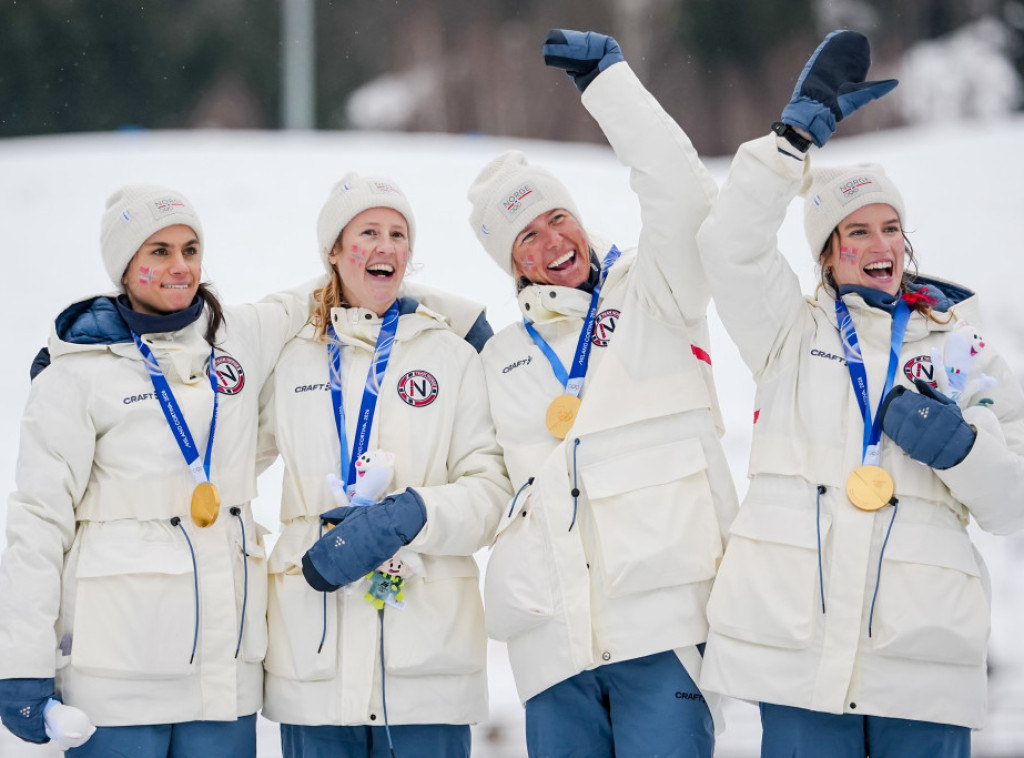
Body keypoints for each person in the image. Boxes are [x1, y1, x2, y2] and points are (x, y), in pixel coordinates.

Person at [697, 30, 1024, 758]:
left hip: (925, 657)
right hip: (799, 659)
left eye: (891, 229)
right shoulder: (786, 330)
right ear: (825, 251)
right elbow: (728, 246)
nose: (879, 246)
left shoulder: (960, 346)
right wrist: (788, 142)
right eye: (856, 232)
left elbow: (1012, 505)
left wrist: (965, 451)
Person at [467, 29, 738, 758]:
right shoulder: (499, 357)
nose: (551, 240)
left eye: (558, 218)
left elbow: (683, 196)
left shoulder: (656, 291)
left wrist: (610, 85)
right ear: (510, 263)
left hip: (663, 626)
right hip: (554, 642)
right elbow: (488, 482)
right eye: (525, 236)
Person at [0, 185, 312, 756]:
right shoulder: (76, 374)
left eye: (190, 249)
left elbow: (349, 275)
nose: (180, 266)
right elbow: (38, 521)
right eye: (159, 251)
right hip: (117, 678)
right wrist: (22, 663)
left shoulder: (237, 338)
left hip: (226, 678)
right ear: (126, 267)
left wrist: (459, 321)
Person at [258, 172, 511, 758]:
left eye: (398, 233)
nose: (386, 246)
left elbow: (493, 489)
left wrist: (414, 514)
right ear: (335, 252)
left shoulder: (451, 356)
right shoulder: (291, 358)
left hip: (426, 666)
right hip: (313, 662)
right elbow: (224, 462)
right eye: (368, 231)